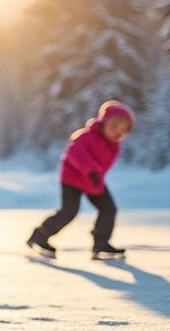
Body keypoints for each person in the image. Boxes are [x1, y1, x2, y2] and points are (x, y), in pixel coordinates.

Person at [27, 100, 135, 259]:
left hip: (93, 180)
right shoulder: (86, 136)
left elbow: (103, 167)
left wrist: (95, 177)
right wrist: (90, 170)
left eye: (123, 130)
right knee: (69, 211)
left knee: (108, 209)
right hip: (72, 179)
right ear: (103, 122)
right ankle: (39, 237)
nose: (117, 133)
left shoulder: (114, 146)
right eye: (114, 126)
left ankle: (101, 243)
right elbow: (73, 153)